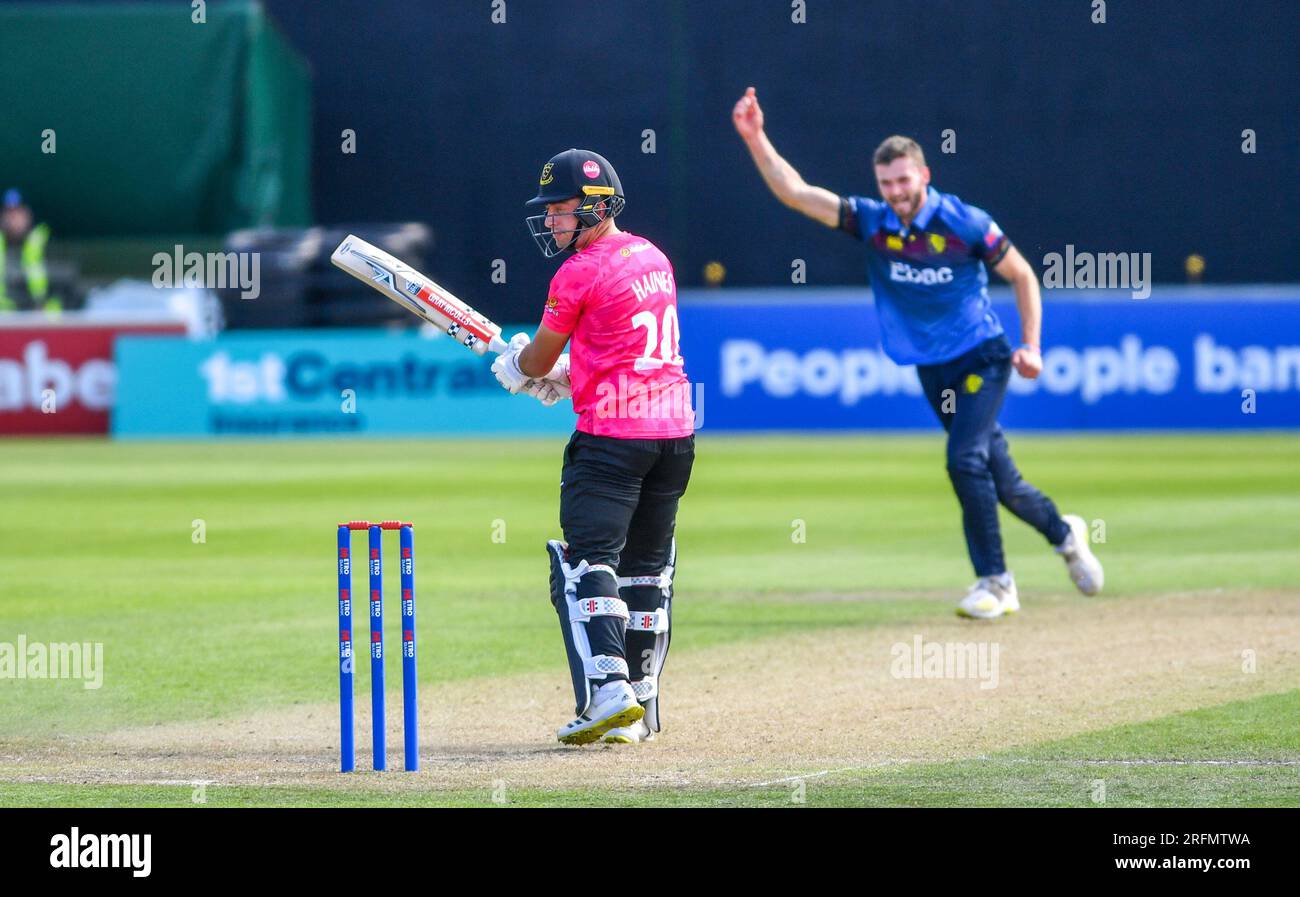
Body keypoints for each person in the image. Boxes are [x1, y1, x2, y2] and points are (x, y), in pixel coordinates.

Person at [732, 87, 1102, 620]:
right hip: (933, 369)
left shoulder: (964, 222)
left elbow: (1022, 274)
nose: (896, 192)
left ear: (924, 176)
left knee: (963, 460)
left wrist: (1031, 345)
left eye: (904, 180)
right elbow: (796, 192)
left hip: (984, 356)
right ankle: (1065, 534)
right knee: (1003, 481)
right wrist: (755, 136)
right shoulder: (874, 221)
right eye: (886, 183)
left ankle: (997, 583)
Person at [491, 149, 695, 742]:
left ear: (597, 205)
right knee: (647, 573)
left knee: (589, 564)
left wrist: (521, 366)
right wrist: (565, 379)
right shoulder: (652, 256)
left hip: (612, 440)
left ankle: (608, 693)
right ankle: (641, 706)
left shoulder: (578, 271)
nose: (551, 221)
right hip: (675, 435)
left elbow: (539, 356)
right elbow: (621, 351)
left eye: (560, 210)